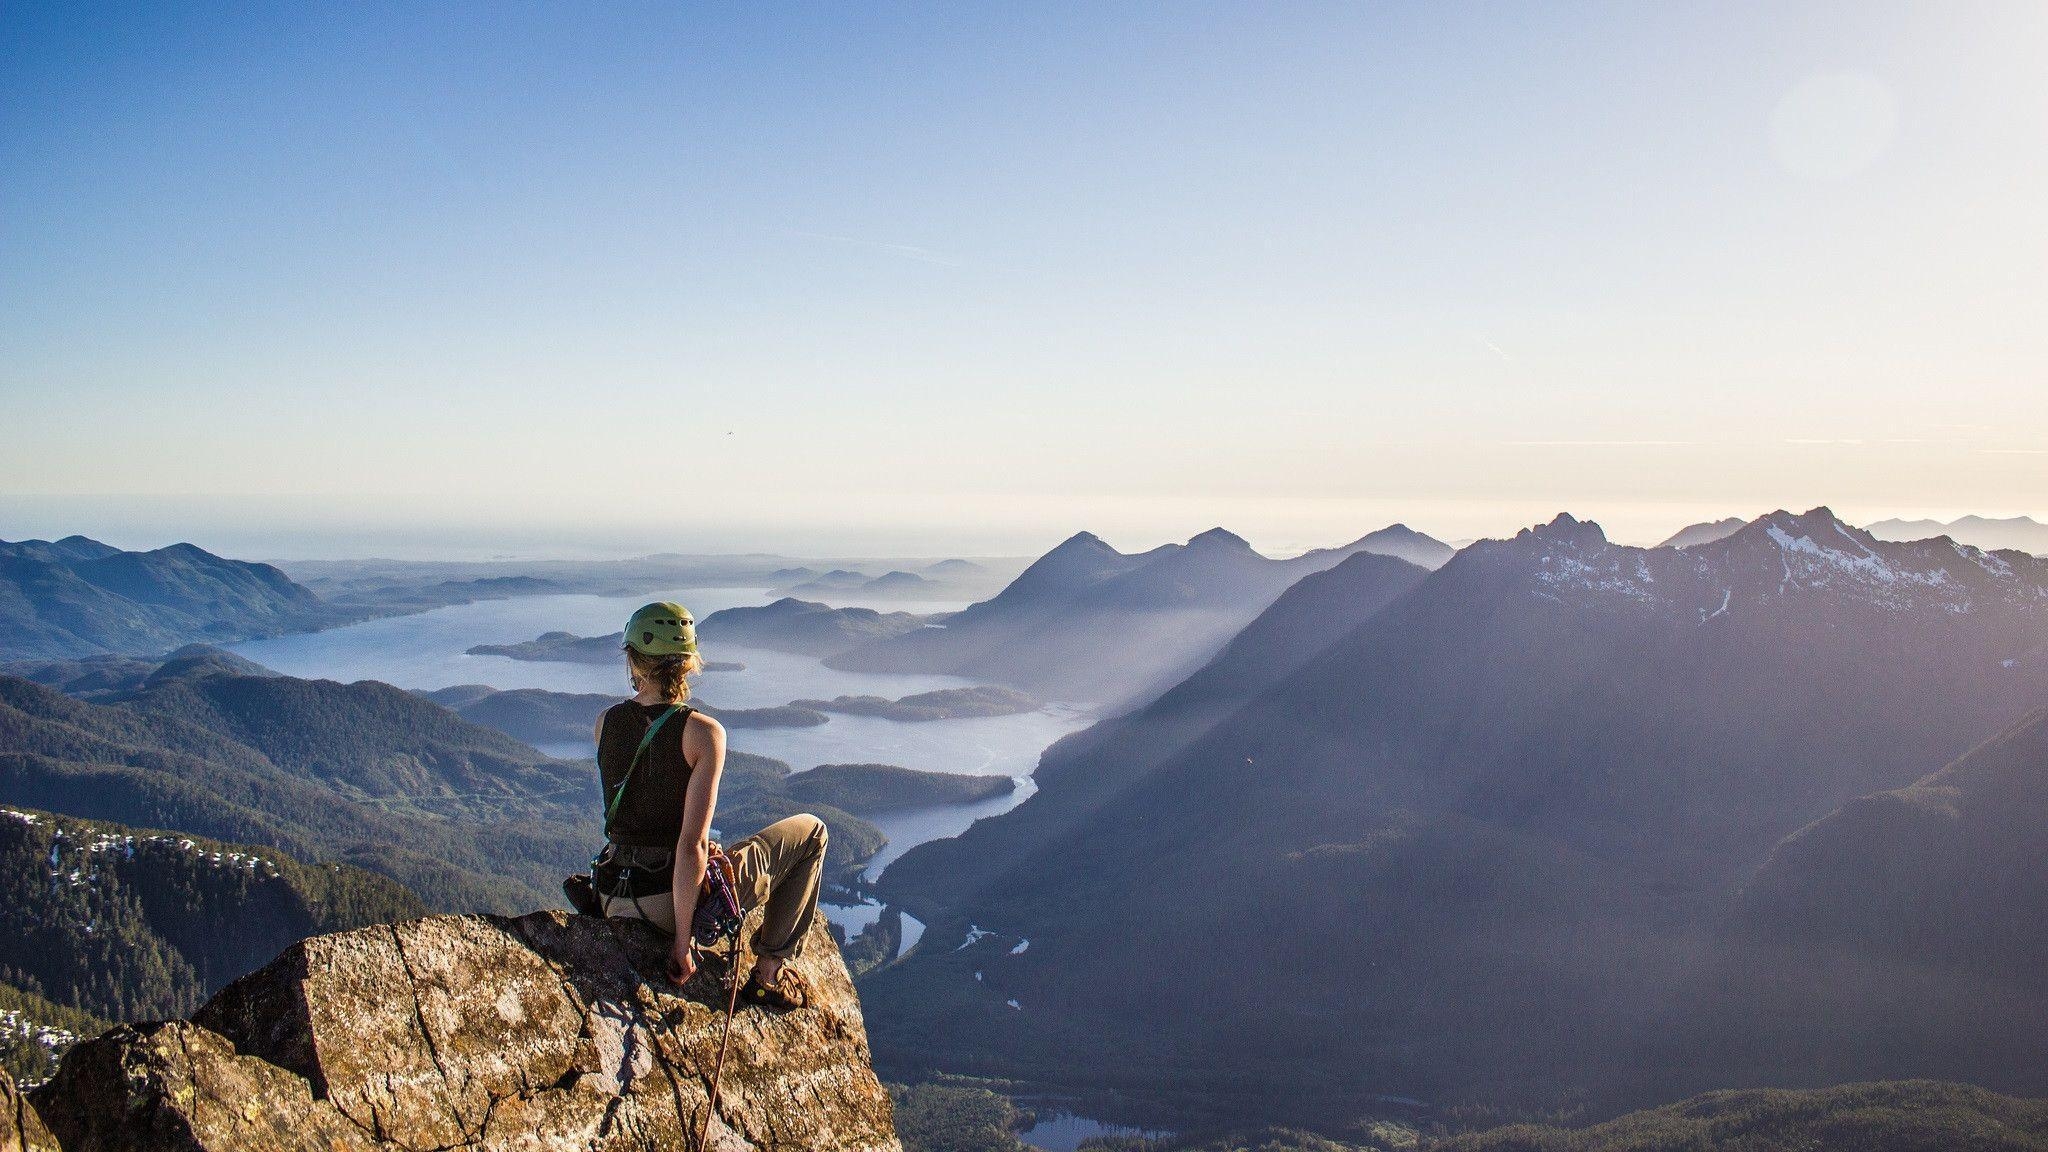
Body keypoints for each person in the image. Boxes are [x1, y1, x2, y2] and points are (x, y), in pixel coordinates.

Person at [588, 601, 827, 1010]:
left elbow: (637, 814)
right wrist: (683, 943)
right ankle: (770, 972)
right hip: (663, 904)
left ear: (633, 660)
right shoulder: (702, 733)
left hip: (612, 895)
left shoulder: (605, 722)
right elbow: (691, 845)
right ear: (689, 663)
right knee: (812, 831)